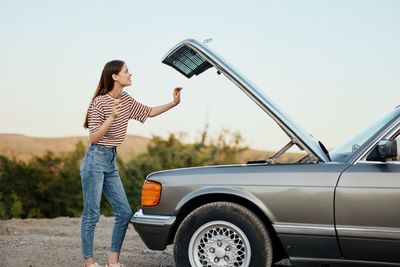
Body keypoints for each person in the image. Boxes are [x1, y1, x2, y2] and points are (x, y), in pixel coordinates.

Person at [80, 60, 182, 267]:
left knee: (124, 212)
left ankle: (113, 261)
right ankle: (89, 262)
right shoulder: (99, 102)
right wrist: (112, 117)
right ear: (115, 77)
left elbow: (148, 112)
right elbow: (93, 138)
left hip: (110, 160)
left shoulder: (125, 99)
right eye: (126, 71)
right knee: (92, 213)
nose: (130, 74)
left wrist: (173, 103)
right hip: (95, 159)